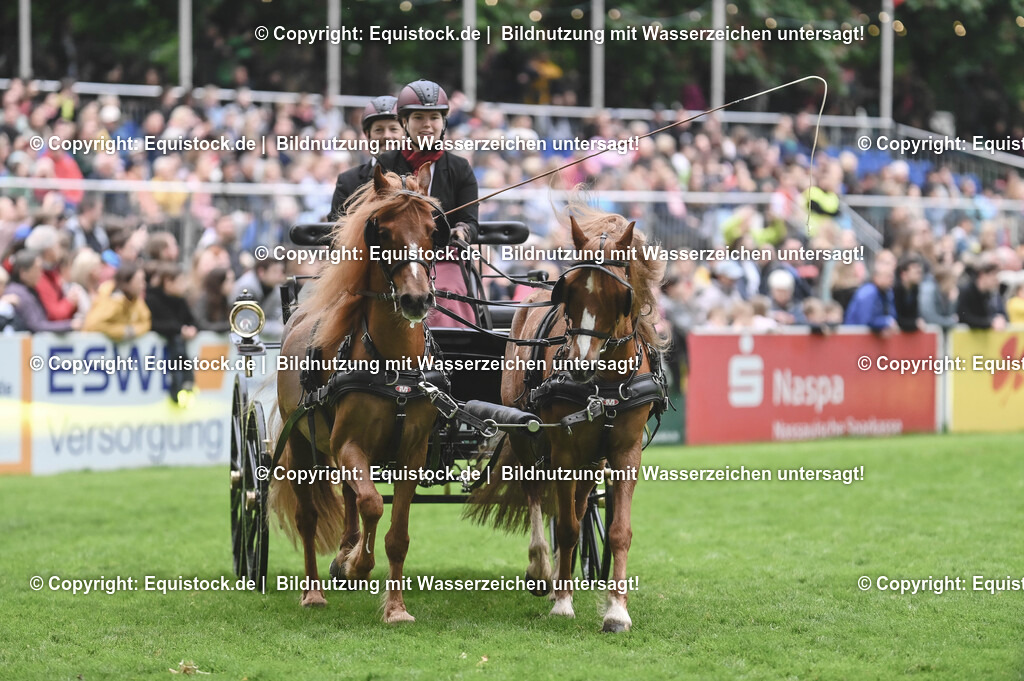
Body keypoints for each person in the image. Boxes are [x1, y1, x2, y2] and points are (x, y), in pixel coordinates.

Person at [375, 80, 479, 328]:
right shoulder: (385, 164)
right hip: (394, 256)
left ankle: (450, 359)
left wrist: (461, 231)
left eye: (434, 117)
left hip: (444, 257)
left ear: (443, 123)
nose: (427, 125)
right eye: (418, 117)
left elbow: (471, 222)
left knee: (447, 290)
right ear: (404, 123)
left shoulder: (460, 168)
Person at [327, 96, 404, 221]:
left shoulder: (419, 176)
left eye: (393, 129)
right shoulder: (348, 182)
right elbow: (335, 233)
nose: (387, 136)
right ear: (368, 135)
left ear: (405, 133)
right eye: (379, 130)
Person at [146, 262, 197, 406]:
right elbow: (152, 324)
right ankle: (180, 383)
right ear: (168, 282)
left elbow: (193, 320)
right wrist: (178, 330)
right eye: (181, 281)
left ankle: (186, 383)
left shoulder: (181, 301)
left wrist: (191, 328)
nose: (184, 285)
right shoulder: (152, 300)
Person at [5, 249, 79, 333]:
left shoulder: (25, 290)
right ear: (23, 273)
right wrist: (70, 325)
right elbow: (37, 325)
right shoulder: (20, 293)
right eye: (37, 269)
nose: (41, 273)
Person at [83, 262, 151, 342]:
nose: (143, 285)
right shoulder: (111, 299)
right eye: (139, 281)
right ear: (127, 282)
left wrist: (132, 331)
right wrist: (122, 332)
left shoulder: (135, 300)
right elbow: (92, 325)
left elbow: (146, 322)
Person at [231, 257, 287, 339]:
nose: (280, 275)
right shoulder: (246, 286)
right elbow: (246, 322)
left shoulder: (276, 289)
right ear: (261, 272)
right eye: (275, 271)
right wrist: (278, 329)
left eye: (281, 271)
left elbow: (275, 316)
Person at [844, 260, 898, 335]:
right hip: (855, 338)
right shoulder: (868, 292)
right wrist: (885, 322)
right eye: (887, 276)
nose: (891, 279)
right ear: (876, 277)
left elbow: (892, 315)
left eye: (892, 276)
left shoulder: (888, 293)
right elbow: (864, 320)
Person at [957, 260, 1006, 330]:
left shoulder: (988, 294)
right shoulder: (966, 291)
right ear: (982, 275)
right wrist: (990, 323)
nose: (996, 281)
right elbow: (964, 317)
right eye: (993, 277)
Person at [893, 255, 925, 331]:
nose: (919, 274)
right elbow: (896, 319)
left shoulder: (915, 290)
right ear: (904, 274)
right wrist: (914, 324)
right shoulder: (894, 291)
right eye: (915, 271)